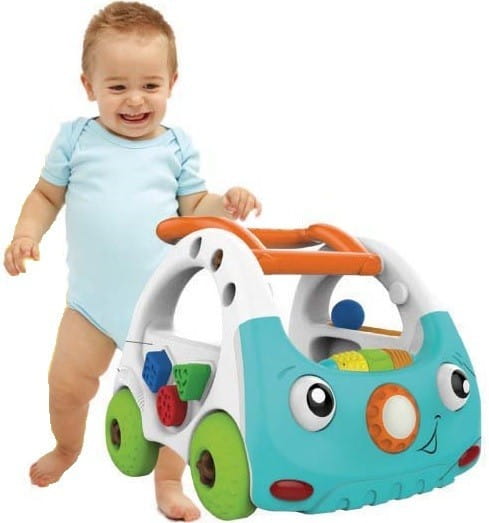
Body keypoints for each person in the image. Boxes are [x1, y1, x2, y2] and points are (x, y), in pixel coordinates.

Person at [3, 2, 261, 521]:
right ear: (89, 86)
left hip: (159, 309)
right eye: (117, 86)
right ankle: (67, 449)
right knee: (65, 387)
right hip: (90, 308)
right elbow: (46, 195)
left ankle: (168, 481)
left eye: (150, 85)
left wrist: (225, 204)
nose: (136, 99)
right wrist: (26, 233)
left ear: (172, 83)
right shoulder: (77, 139)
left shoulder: (176, 147)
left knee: (174, 402)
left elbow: (195, 206)